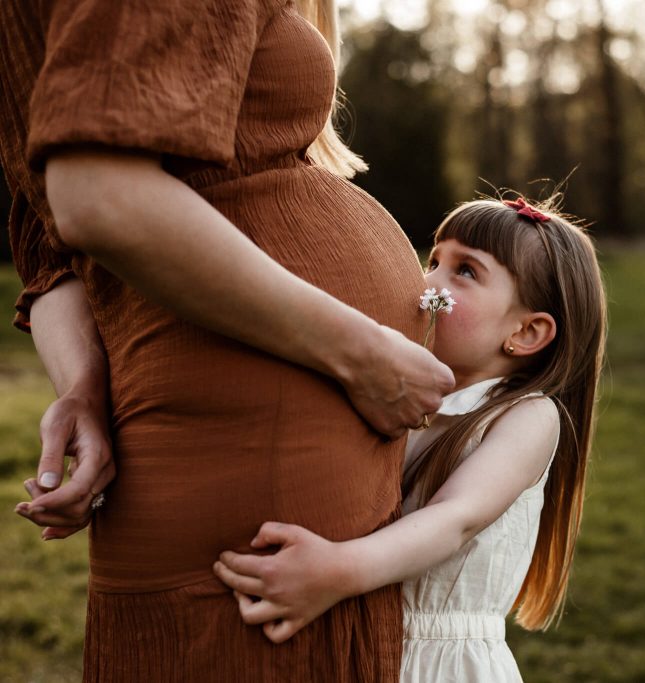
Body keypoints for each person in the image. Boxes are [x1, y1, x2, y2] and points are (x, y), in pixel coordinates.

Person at [1, 0, 454, 680]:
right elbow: (94, 195)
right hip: (253, 456)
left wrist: (83, 384)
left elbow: (51, 244)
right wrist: (361, 352)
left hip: (247, 445)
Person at [214, 196, 607, 681]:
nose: (428, 283)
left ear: (526, 332)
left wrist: (338, 570)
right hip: (363, 643)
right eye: (433, 260)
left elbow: (456, 518)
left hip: (437, 659)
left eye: (465, 272)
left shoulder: (526, 416)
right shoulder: (401, 397)